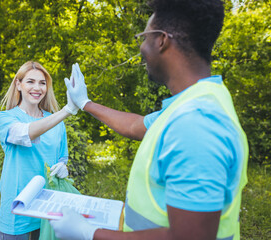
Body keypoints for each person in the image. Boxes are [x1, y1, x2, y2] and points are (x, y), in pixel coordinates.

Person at [50, 0, 249, 240]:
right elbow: (136, 125)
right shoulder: (197, 101)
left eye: (144, 37)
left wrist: (89, 233)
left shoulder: (195, 123)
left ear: (162, 40)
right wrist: (85, 103)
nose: (142, 47)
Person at [0, 61, 78, 240]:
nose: (37, 88)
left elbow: (62, 157)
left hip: (48, 208)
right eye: (30, 81)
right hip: (17, 209)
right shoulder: (5, 118)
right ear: (18, 84)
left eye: (42, 83)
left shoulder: (56, 122)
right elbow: (24, 134)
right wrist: (67, 110)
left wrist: (63, 167)